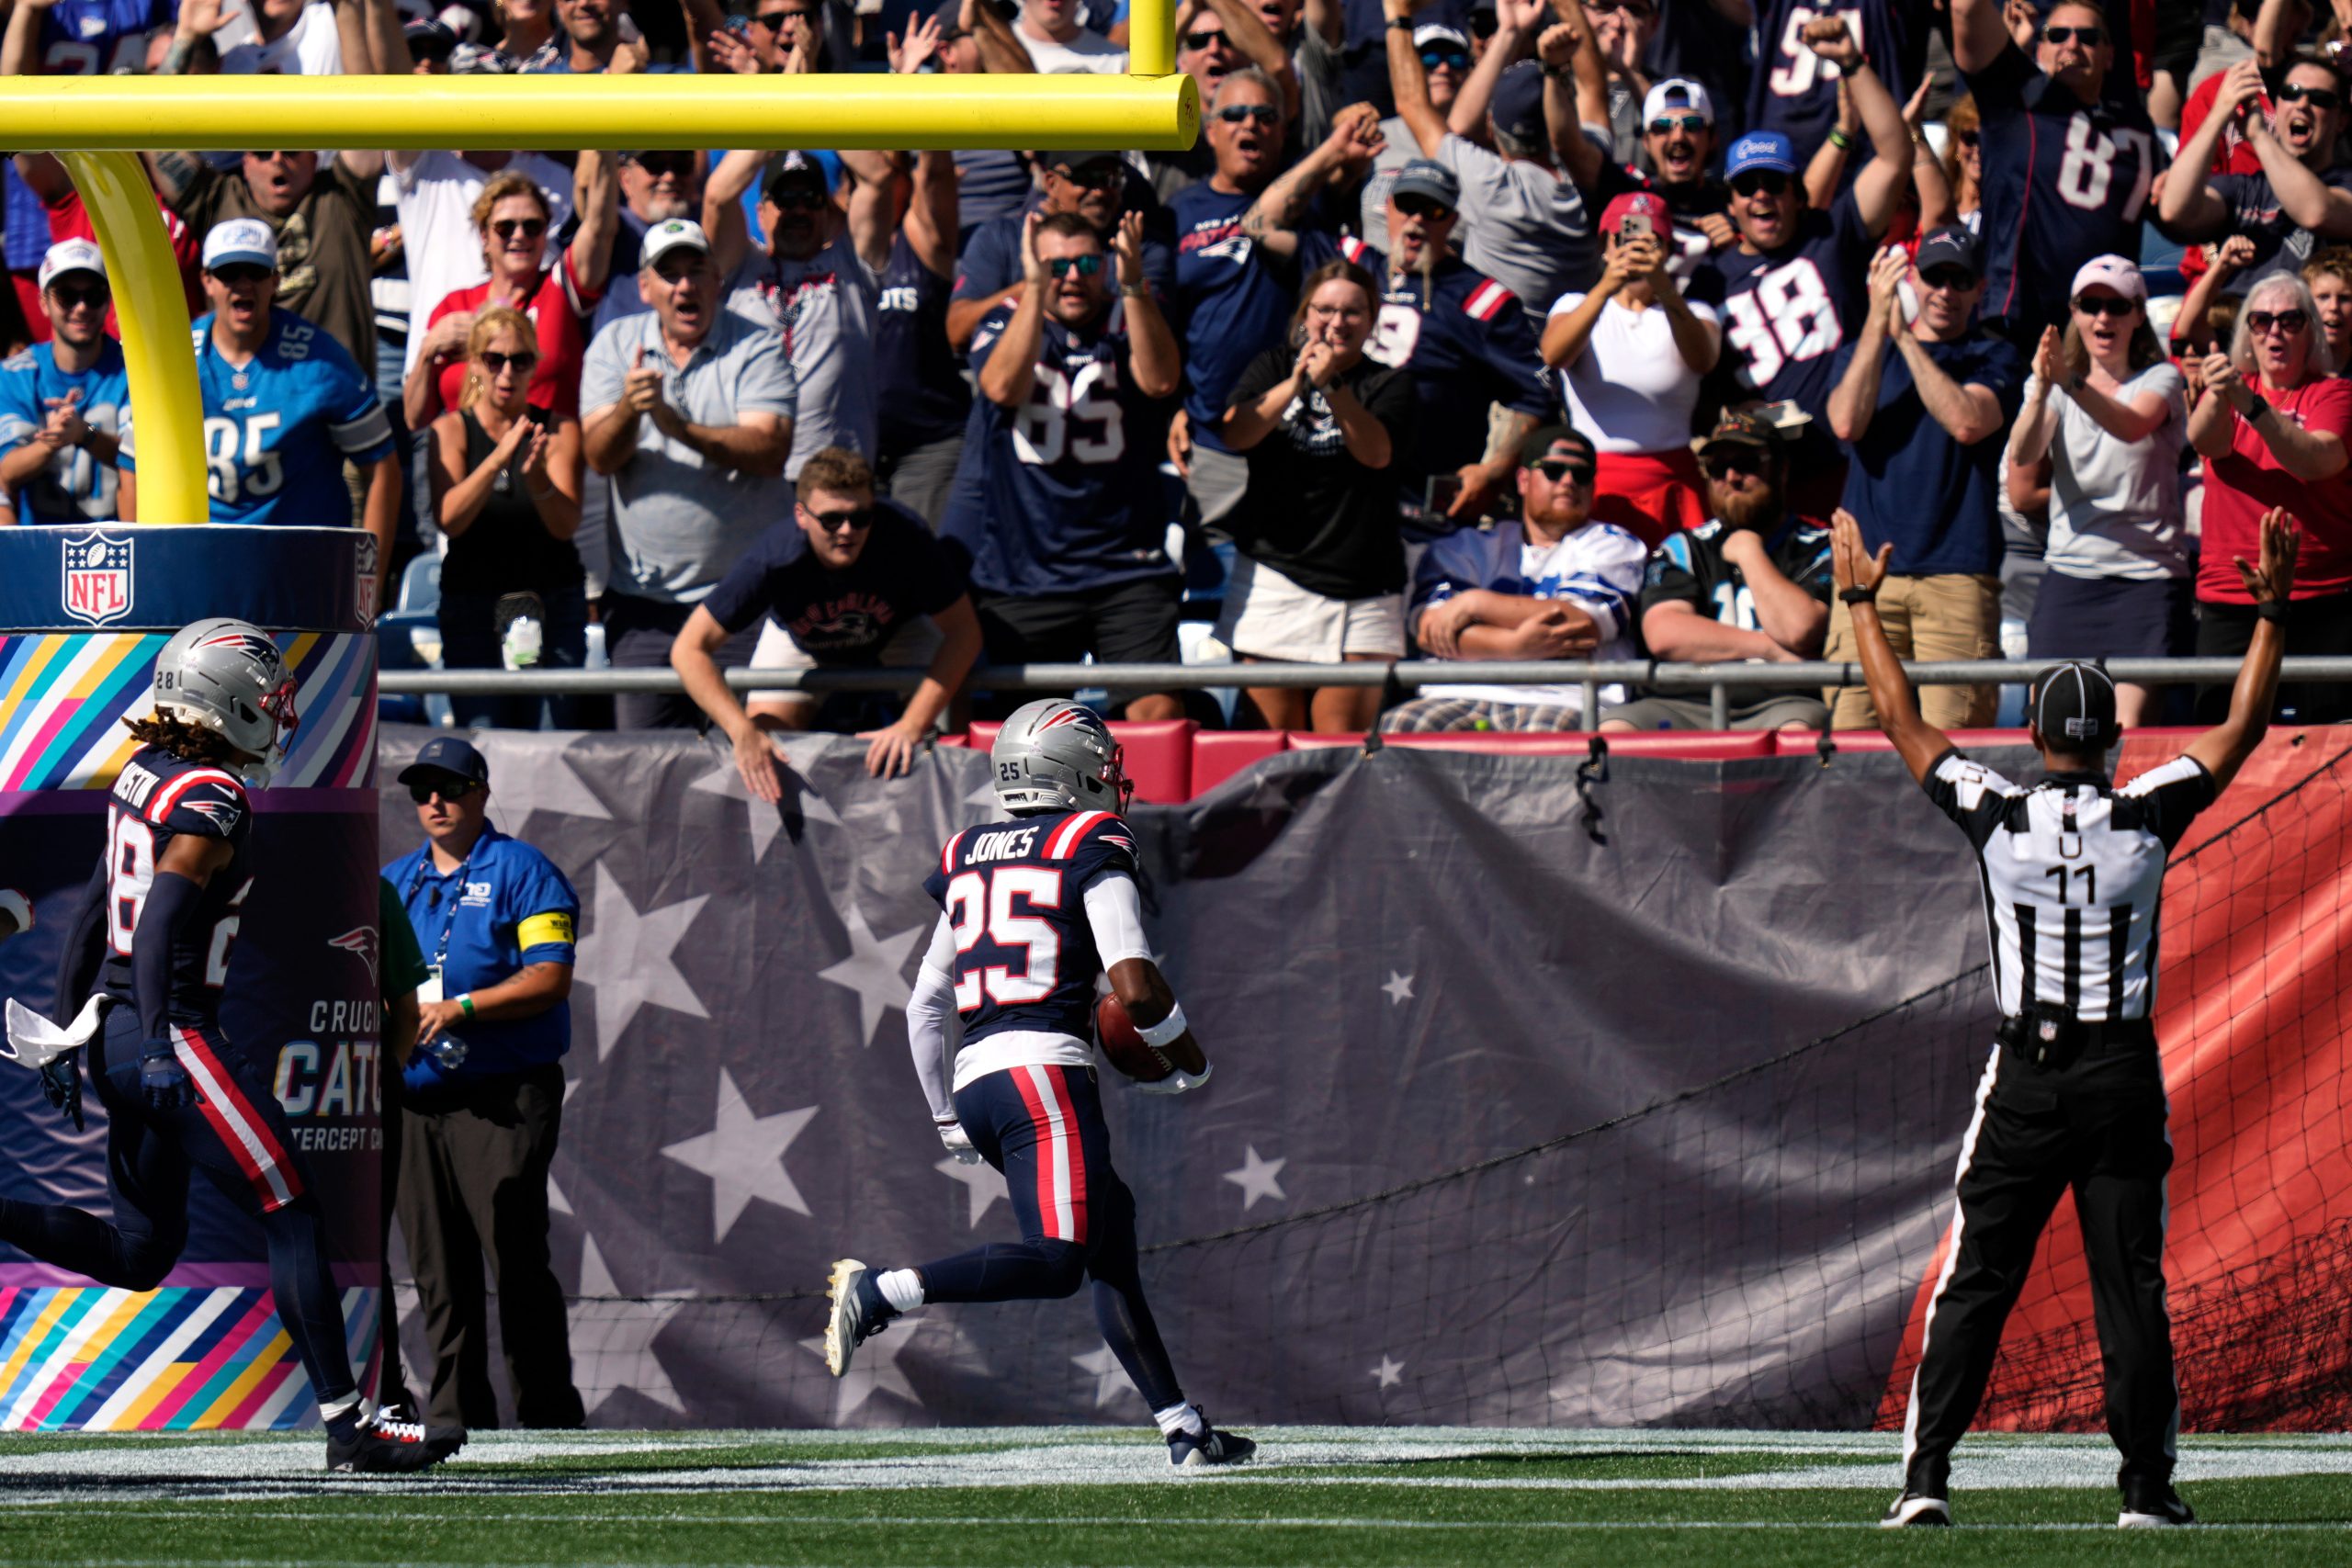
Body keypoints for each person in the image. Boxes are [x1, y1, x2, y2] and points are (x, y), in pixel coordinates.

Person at [1844, 507, 2301, 1532]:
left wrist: (1863, 604)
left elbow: (1895, 714)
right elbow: (2241, 725)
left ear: (2041, 737)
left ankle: (1924, 1482)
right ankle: (2146, 1489)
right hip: (2118, 1074)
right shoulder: (2145, 817)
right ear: (2114, 741)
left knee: (1977, 1282)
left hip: (2026, 1076)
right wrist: (2270, 610)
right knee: (2128, 1288)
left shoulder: (1998, 815)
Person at [0, 620, 453, 1472]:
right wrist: (166, 1041)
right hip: (173, 1030)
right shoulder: (215, 795)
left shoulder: (141, 774)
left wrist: (70, 1032)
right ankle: (351, 1425)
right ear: (228, 698)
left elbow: (92, 914)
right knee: (293, 1205)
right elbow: (162, 912)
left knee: (141, 1254)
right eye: (269, 698)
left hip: (116, 1027)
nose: (278, 714)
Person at [822, 699, 1255, 1472]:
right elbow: (1134, 982)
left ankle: (1185, 1428)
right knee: (1058, 1259)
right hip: (1044, 1080)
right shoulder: (1094, 836)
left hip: (982, 1083)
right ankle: (884, 1292)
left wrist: (946, 1118)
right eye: (1102, 763)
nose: (1114, 778)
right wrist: (1187, 1057)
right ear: (1071, 769)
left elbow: (926, 999)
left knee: (1108, 1242)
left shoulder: (967, 847)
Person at [383, 735, 587, 1433]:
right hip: (414, 1100)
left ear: (481, 792)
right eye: (421, 789)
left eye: (449, 786)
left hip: (502, 1096)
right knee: (438, 1272)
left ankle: (548, 1419)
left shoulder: (523, 870)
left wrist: (459, 1006)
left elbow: (549, 976)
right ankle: (456, 1420)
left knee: (515, 1256)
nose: (434, 800)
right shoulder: (394, 881)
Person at [942, 211, 1186, 721]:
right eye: (1057, 265)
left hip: (1125, 565)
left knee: (1156, 714)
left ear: (1105, 266)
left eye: (1086, 262)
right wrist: (1032, 289)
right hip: (1028, 570)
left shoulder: (1130, 314)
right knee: (1036, 734)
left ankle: (1148, 805)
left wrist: (1135, 285)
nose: (1072, 276)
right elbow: (1001, 387)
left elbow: (1161, 380)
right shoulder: (1005, 317)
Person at [581, 218, 797, 729]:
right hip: (645, 608)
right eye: (669, 273)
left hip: (743, 604)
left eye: (696, 270)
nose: (684, 285)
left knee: (755, 756)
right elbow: (598, 456)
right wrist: (630, 412)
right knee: (644, 769)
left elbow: (770, 450)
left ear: (717, 279)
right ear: (646, 287)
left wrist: (676, 428)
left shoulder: (758, 345)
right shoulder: (615, 345)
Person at [1693, 17, 1914, 512]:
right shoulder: (1708, 280)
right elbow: (1696, 390)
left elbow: (1895, 156)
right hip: (1768, 481)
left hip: (1859, 466)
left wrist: (1852, 64)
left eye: (1774, 184)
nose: (1761, 196)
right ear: (1730, 202)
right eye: (1747, 187)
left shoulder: (1831, 234)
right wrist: (1734, 413)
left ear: (1797, 194)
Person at [118, 222, 401, 592]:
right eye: (227, 272)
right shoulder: (173, 360)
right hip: (200, 572)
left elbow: (383, 468)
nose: (242, 283)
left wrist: (370, 583)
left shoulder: (321, 363)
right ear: (206, 281)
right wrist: (147, 575)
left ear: (276, 281)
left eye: (255, 271)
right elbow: (132, 469)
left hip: (300, 576)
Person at [672, 446, 983, 781]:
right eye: (832, 519)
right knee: (764, 747)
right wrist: (741, 731)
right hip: (800, 640)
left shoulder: (906, 537)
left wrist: (911, 726)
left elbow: (964, 634)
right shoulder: (774, 558)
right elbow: (688, 649)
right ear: (801, 515)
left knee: (947, 728)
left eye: (860, 517)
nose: (847, 531)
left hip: (899, 628)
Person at [1824, 228, 2021, 731]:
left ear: (1981, 289)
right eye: (1934, 277)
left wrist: (1906, 339)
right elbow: (1845, 422)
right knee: (1850, 742)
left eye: (1960, 280)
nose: (1945, 293)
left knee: (1958, 755)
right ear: (1914, 279)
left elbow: (1967, 421)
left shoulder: (1995, 356)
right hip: (1864, 576)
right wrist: (1877, 325)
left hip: (1956, 578)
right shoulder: (1862, 353)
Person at [1216, 259, 1416, 730]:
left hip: (1364, 587)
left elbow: (1376, 453)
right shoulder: (1270, 366)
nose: (1336, 322)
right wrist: (1296, 383)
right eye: (1324, 310)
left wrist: (1333, 387)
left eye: (1352, 312)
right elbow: (1237, 433)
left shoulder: (1392, 382)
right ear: (1305, 315)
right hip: (1275, 575)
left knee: (1339, 745)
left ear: (1372, 320)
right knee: (1274, 741)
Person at [2007, 256, 2191, 728]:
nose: (2103, 318)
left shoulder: (2162, 380)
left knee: (2125, 735)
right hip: (2070, 575)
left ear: (2137, 315)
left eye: (2116, 306)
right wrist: (2040, 391)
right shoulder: (2053, 384)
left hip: (2147, 580)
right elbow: (2025, 455)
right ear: (2075, 312)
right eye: (2090, 305)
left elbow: (2130, 426)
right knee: (2046, 728)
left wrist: (2066, 380)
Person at [1381, 425, 1645, 733]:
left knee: (1545, 750)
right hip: (1458, 693)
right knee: (1398, 731)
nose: (1568, 482)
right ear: (1522, 480)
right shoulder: (1467, 546)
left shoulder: (1613, 543)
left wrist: (1474, 603)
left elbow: (1579, 622)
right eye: (1553, 470)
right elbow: (1430, 630)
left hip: (1564, 698)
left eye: (1581, 474)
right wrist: (1514, 646)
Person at [1600, 409, 1832, 733]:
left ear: (1781, 470)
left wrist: (1749, 553)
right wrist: (1770, 649)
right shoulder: (1682, 547)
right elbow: (1665, 634)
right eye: (1718, 468)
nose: (1731, 478)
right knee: (1615, 732)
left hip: (1782, 703)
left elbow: (1799, 629)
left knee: (1796, 735)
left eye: (1747, 465)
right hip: (1683, 703)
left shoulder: (1820, 546)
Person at [2187, 269, 2352, 723]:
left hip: (2319, 599)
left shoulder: (2334, 393)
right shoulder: (2231, 391)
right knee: (2221, 735)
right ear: (2248, 335)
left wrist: (2251, 405)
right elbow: (2205, 442)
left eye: (2290, 321)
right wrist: (2225, 393)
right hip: (2231, 598)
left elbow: (2315, 461)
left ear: (2310, 332)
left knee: (2326, 747)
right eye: (2260, 321)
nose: (2274, 331)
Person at [1950, 0, 2162, 346]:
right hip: (2014, 322)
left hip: (2102, 326)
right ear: (2040, 48)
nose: (2072, 45)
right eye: (2058, 34)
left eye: (2089, 37)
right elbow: (1964, 9)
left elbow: (2178, 215)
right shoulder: (2016, 100)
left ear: (2109, 55)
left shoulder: (2136, 128)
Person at [1165, 68, 1324, 531]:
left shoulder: (1310, 205)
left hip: (1298, 437)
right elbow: (1162, 322)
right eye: (1234, 114)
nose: (1249, 124)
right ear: (1210, 131)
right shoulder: (1177, 210)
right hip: (1207, 441)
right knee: (1205, 591)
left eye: (1264, 115)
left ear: (1283, 130)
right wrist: (1171, 406)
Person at [426, 306, 592, 731]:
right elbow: (450, 519)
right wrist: (498, 457)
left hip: (552, 604)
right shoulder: (450, 430)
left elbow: (565, 525)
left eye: (520, 360)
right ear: (476, 364)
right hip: (473, 607)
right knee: (483, 739)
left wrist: (537, 482)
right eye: (494, 359)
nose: (506, 372)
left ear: (534, 366)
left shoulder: (559, 430)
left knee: (555, 744)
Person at [1383, 0, 1601, 313]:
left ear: (1492, 126)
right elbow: (1594, 89)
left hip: (1498, 347)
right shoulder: (1590, 172)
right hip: (1574, 351)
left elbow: (1415, 105)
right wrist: (1567, 7)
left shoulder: (1491, 184)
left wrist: (1397, 16)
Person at [1541, 190, 1719, 546]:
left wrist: (1664, 287)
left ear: (1667, 250)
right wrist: (1608, 285)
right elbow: (1554, 355)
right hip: (1597, 481)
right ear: (1606, 245)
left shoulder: (1694, 312)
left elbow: (1703, 359)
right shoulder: (1576, 304)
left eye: (1651, 242)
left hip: (1674, 483)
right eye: (1623, 240)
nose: (1636, 250)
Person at [704, 148, 894, 478]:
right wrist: (773, 116)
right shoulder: (741, 264)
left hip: (838, 482)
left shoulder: (852, 265)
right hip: (753, 478)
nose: (800, 210)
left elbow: (878, 177)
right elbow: (718, 196)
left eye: (812, 199)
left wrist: (819, 110)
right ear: (760, 213)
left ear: (828, 212)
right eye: (786, 199)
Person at [405, 155, 620, 431]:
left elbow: (600, 229)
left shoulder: (560, 288)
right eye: (505, 228)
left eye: (532, 227)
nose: (519, 236)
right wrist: (428, 348)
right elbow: (415, 419)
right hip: (469, 467)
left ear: (545, 234)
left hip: (545, 459)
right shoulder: (454, 305)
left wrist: (605, 150)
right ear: (484, 236)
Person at [146, 141, 386, 373]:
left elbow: (370, 119)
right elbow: (149, 130)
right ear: (246, 164)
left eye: (292, 151)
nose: (278, 159)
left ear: (313, 159)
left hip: (336, 394)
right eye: (263, 151)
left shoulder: (343, 198)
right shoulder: (219, 201)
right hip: (245, 396)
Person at [946, 149, 1175, 353]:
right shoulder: (1002, 237)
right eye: (1085, 178)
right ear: (1052, 184)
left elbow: (1154, 342)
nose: (1099, 191)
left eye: (1110, 179)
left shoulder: (1136, 248)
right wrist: (1033, 285)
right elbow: (958, 331)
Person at [2159, 52, 2352, 291]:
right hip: (2242, 323)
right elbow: (2175, 210)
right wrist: (2219, 114)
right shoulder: (2247, 188)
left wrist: (2259, 136)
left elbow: (2317, 213)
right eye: (2291, 93)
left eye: (2319, 98)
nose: (2302, 104)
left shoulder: (2344, 183)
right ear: (2277, 104)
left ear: (2342, 121)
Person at [0, 240, 126, 524]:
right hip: (41, 547)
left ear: (108, 301)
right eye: (67, 296)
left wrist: (85, 432)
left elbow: (147, 465)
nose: (81, 308)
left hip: (116, 547)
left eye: (93, 295)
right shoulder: (14, 375)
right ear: (44, 303)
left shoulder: (133, 370)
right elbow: (5, 472)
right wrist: (51, 443)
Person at [374, 874, 428, 1420]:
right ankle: (386, 1392)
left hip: (247, 1084)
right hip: (356, 1093)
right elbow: (407, 1014)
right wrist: (380, 1080)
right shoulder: (375, 887)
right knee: (365, 1247)